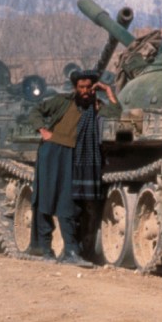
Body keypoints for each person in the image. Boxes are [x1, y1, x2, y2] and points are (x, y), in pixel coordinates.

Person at [27, 69, 120, 266]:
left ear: (94, 88)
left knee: (68, 203)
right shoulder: (62, 101)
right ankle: (45, 249)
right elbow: (35, 111)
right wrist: (43, 130)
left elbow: (116, 115)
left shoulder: (97, 106)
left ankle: (70, 250)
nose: (85, 91)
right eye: (81, 87)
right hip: (51, 153)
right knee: (45, 198)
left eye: (89, 87)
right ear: (75, 88)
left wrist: (109, 92)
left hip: (75, 157)